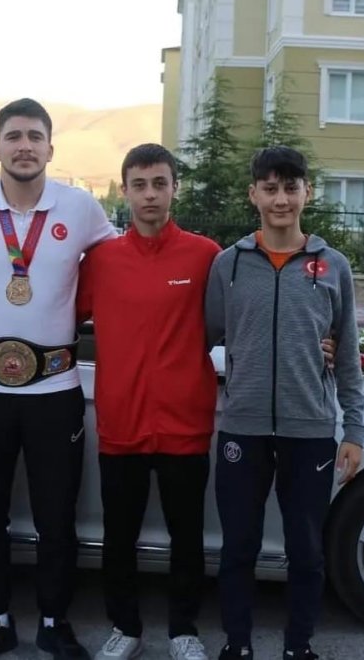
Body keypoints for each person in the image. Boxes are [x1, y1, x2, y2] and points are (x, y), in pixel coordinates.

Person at [0, 98, 117, 659]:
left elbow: (122, 270)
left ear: (50, 148)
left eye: (35, 137)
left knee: (56, 517)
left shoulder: (81, 208)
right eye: (14, 136)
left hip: (55, 392)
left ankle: (54, 622)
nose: (24, 146)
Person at [204, 146, 364, 660]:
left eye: (291, 188)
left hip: (310, 430)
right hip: (243, 428)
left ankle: (299, 647)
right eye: (270, 188)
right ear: (253, 194)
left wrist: (354, 430)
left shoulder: (332, 265)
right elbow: (204, 337)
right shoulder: (228, 264)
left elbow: (347, 355)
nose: (281, 199)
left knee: (306, 551)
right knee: (238, 548)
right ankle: (237, 644)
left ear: (307, 192)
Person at [76, 144, 220, 660]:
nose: (150, 195)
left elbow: (242, 319)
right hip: (122, 423)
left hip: (185, 423)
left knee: (187, 537)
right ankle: (126, 628)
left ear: (174, 188)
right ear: (125, 192)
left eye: (160, 183)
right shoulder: (101, 261)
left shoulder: (206, 256)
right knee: (119, 537)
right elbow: (54, 308)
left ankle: (183, 631)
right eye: (139, 185)